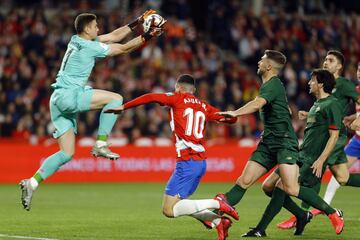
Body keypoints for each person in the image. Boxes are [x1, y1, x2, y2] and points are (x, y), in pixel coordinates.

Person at [19, 10, 166, 211]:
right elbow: (123, 49)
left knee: (66, 153)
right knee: (116, 99)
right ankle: (100, 144)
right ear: (87, 29)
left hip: (57, 100)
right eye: (95, 26)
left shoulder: (76, 40)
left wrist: (137, 22)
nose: (98, 28)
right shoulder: (89, 47)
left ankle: (32, 183)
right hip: (70, 97)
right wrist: (149, 35)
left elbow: (114, 36)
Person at [216, 50, 344, 237]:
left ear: (269, 66)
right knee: (246, 182)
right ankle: (220, 216)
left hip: (285, 143)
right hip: (268, 142)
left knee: (289, 188)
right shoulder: (270, 86)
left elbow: (258, 103)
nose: (258, 61)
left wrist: (235, 113)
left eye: (262, 59)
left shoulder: (273, 84)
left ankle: (332, 213)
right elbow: (282, 112)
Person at [105, 74, 239, 240]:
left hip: (187, 161)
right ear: (194, 90)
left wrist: (123, 107)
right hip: (200, 162)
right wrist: (233, 116)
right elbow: (230, 119)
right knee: (180, 205)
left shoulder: (177, 98)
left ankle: (218, 203)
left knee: (169, 210)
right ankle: (218, 222)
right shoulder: (204, 106)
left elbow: (151, 96)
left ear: (178, 88)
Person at [273, 52, 360, 229]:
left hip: (333, 137)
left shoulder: (346, 85)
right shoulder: (326, 88)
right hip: (334, 134)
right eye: (326, 59)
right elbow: (328, 110)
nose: (326, 62)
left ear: (340, 66)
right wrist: (350, 117)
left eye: (331, 60)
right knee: (341, 178)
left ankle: (303, 216)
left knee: (310, 175)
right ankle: (306, 214)